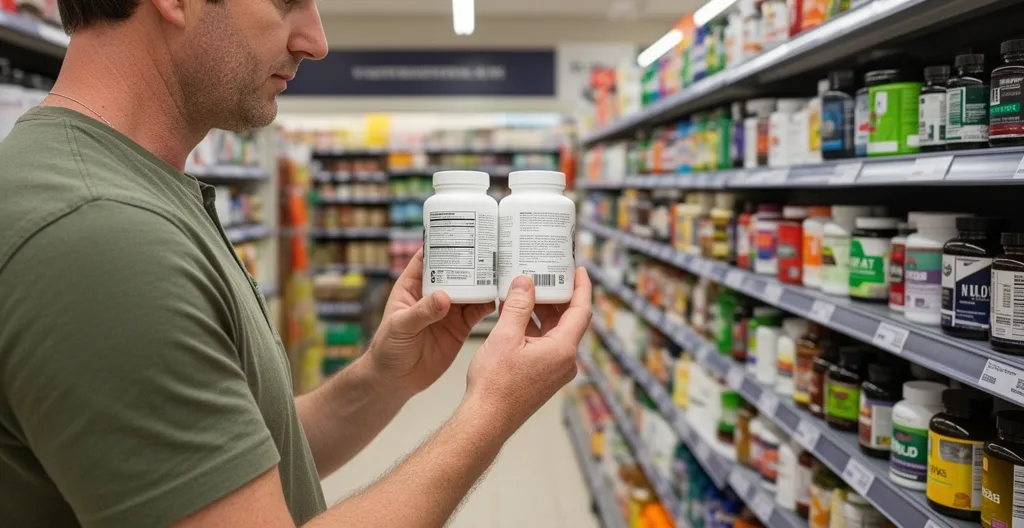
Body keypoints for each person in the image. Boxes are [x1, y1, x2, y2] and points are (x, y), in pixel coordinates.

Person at [0, 1, 593, 527]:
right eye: (287, 0)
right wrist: (490, 413)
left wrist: (385, 379)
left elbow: (232, 457)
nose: (316, 39)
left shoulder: (131, 188)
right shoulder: (102, 232)